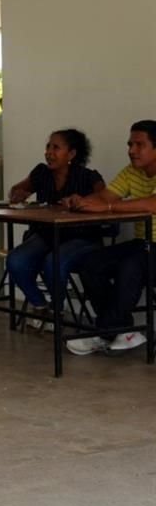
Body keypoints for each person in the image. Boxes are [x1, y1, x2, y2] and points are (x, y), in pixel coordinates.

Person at [65, 120, 156, 355]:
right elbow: (106, 196)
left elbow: (151, 204)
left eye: (139, 145)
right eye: (130, 144)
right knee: (91, 263)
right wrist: (81, 201)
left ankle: (106, 333)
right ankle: (123, 331)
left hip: (150, 248)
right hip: (144, 243)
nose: (131, 150)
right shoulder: (131, 171)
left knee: (131, 265)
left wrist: (106, 208)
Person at [6, 129, 104, 328]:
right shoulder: (41, 173)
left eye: (56, 148)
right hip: (47, 234)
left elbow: (105, 198)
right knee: (16, 260)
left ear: (72, 154)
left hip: (81, 237)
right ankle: (40, 305)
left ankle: (56, 310)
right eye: (48, 147)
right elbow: (17, 189)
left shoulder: (88, 177)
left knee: (54, 261)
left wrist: (82, 201)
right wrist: (19, 194)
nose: (49, 152)